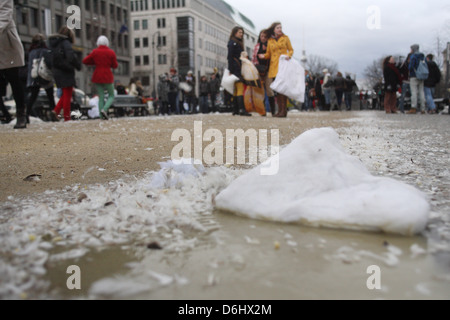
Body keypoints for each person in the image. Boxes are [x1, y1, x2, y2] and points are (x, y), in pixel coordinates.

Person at [0, 0, 28, 129]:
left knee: (14, 81)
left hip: (6, 43)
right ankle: (5, 114)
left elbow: (5, 12)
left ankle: (21, 114)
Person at [258, 22, 294, 118]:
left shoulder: (285, 38)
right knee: (278, 89)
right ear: (274, 29)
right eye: (278, 27)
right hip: (274, 67)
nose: (280, 29)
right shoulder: (270, 40)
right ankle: (280, 111)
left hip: (283, 65)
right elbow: (269, 54)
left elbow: (291, 50)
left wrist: (288, 55)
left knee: (282, 88)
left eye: (280, 27)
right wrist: (263, 56)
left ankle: (283, 111)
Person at [48, 26, 81, 122]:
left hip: (57, 70)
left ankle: (56, 110)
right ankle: (67, 117)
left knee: (65, 93)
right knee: (68, 94)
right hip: (66, 70)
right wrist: (74, 65)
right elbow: (70, 56)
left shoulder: (54, 44)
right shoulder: (65, 43)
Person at [82, 35, 118, 120]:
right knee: (111, 95)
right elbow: (115, 65)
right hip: (107, 75)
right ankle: (105, 109)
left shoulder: (95, 51)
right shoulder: (111, 52)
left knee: (101, 96)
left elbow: (85, 61)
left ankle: (101, 116)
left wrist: (94, 63)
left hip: (97, 75)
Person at [26, 34, 55, 123]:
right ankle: (53, 114)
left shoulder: (31, 52)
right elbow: (50, 63)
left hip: (34, 77)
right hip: (45, 75)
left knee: (32, 97)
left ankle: (26, 114)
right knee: (50, 96)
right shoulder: (46, 51)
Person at [228, 26, 251, 116]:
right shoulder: (234, 43)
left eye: (242, 33)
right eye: (239, 32)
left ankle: (236, 109)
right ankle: (241, 109)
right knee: (239, 87)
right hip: (236, 67)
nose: (241, 34)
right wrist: (230, 69)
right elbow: (230, 57)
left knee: (236, 88)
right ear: (235, 33)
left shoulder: (235, 42)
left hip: (236, 67)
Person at [252, 29, 275, 115]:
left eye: (265, 36)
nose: (263, 38)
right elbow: (254, 58)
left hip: (268, 70)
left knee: (269, 90)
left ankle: (273, 110)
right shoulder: (257, 46)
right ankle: (262, 111)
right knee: (260, 91)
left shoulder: (270, 45)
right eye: (262, 36)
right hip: (258, 70)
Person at [408, 44, 426, 114]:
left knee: (414, 92)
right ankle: (423, 108)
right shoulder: (422, 56)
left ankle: (413, 107)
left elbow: (410, 67)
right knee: (421, 92)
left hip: (414, 76)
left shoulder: (413, 56)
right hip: (421, 76)